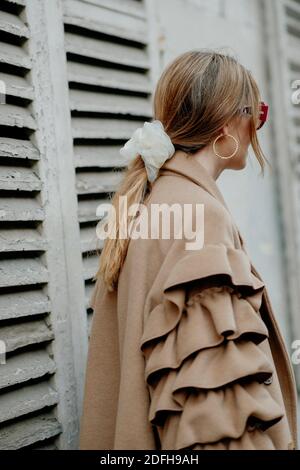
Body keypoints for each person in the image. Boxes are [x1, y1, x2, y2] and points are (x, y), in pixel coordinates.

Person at [78, 50, 298, 450]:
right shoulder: (201, 216)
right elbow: (214, 412)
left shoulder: (150, 200)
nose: (258, 127)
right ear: (228, 122)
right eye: (258, 113)